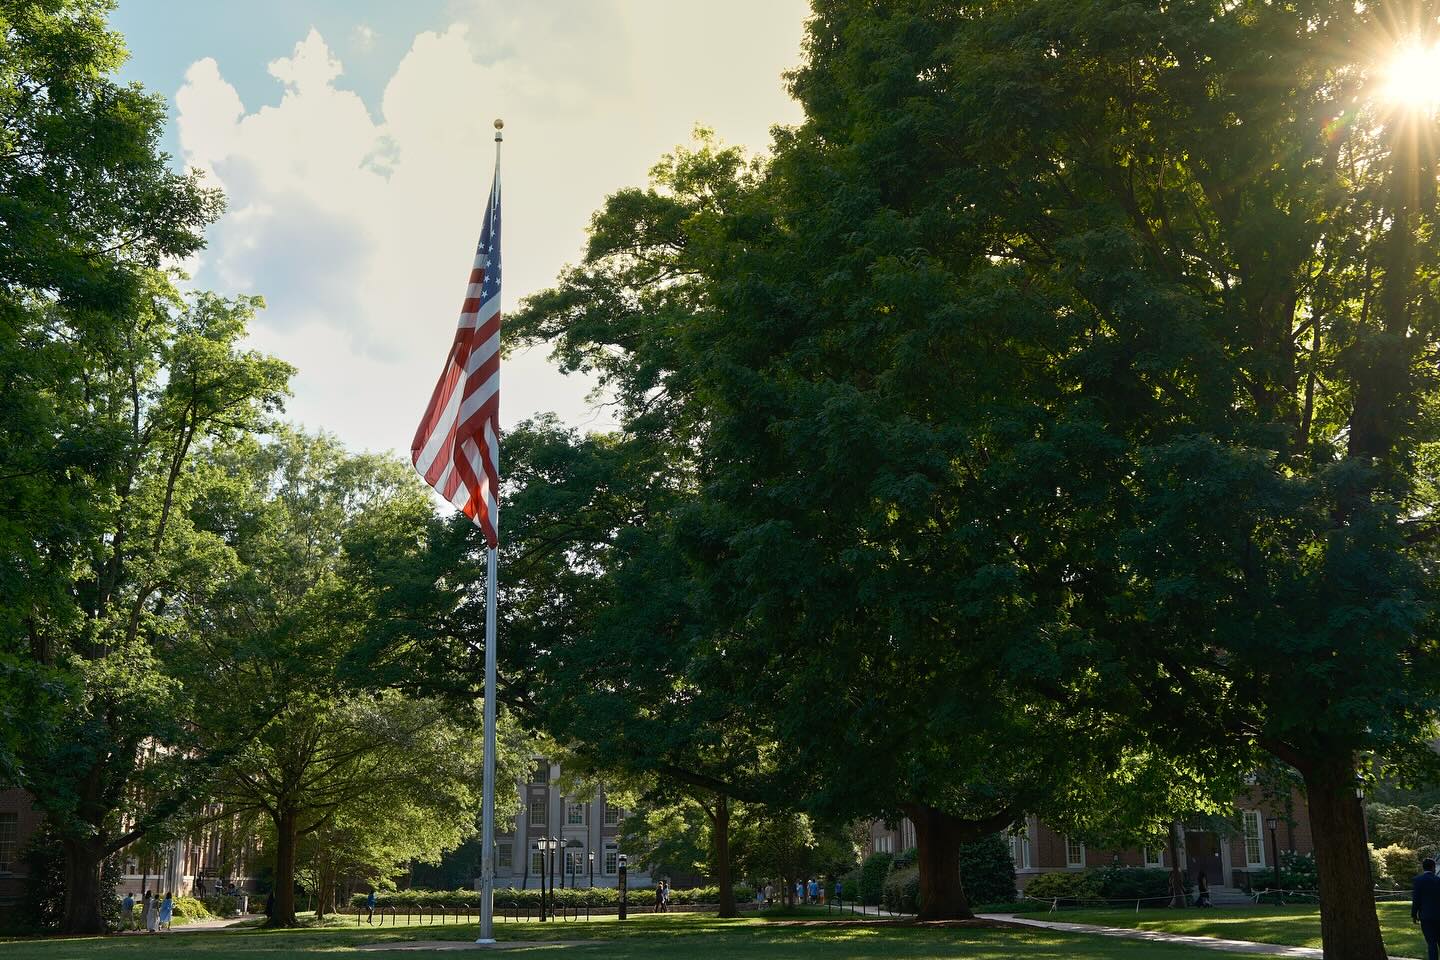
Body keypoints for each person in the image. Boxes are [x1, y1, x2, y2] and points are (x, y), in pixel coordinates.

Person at [1413, 856, 1440, 960]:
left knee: (1431, 942)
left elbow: (1416, 899)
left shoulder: (1418, 880)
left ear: (1423, 868)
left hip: (1426, 915)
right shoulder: (1438, 880)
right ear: (1433, 867)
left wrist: (1414, 914)